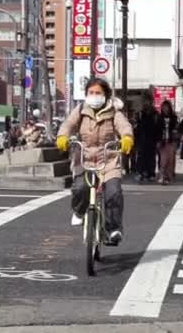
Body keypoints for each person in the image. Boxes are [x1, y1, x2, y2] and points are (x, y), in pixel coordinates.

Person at [56, 78, 134, 245]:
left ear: (106, 95)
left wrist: (127, 138)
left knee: (113, 193)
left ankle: (113, 229)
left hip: (109, 160)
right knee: (79, 188)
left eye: (98, 93)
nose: (94, 96)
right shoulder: (80, 110)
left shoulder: (114, 112)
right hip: (84, 158)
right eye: (91, 93)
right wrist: (63, 136)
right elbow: (68, 124)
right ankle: (79, 211)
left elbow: (124, 127)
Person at [135, 101, 160, 182]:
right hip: (142, 139)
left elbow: (157, 128)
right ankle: (140, 173)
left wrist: (158, 140)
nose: (146, 104)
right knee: (141, 157)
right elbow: (137, 126)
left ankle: (151, 173)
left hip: (152, 139)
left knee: (151, 157)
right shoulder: (140, 114)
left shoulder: (155, 114)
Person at [157, 101, 178, 184]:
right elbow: (157, 130)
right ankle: (162, 176)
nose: (165, 109)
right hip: (162, 141)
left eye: (167, 107)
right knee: (163, 159)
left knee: (170, 159)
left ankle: (169, 176)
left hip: (171, 141)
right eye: (164, 107)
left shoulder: (174, 118)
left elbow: (176, 129)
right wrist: (158, 141)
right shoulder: (159, 118)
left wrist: (176, 140)